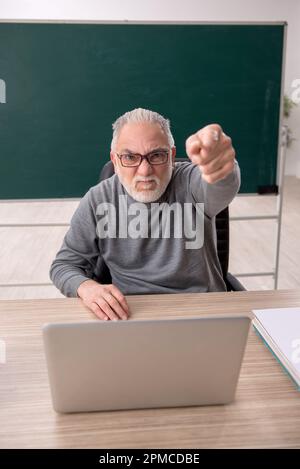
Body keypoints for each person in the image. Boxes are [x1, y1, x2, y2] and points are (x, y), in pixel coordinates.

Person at [50, 108, 240, 321]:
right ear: (115, 160)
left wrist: (223, 166)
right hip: (130, 315)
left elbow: (222, 184)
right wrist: (86, 288)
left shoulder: (191, 183)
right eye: (130, 157)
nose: (145, 171)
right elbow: (64, 265)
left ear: (172, 155)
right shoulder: (98, 199)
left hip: (203, 312)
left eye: (156, 155)